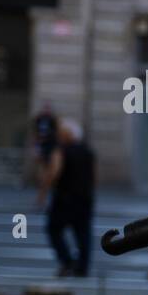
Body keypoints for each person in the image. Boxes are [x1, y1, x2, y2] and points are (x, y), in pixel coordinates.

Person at [42, 118, 96, 278]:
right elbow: (94, 177)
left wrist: (44, 191)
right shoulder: (88, 151)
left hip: (64, 198)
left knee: (54, 229)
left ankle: (67, 261)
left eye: (61, 133)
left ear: (68, 134)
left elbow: (54, 172)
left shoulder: (61, 151)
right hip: (85, 198)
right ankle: (83, 267)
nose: (59, 135)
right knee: (83, 233)